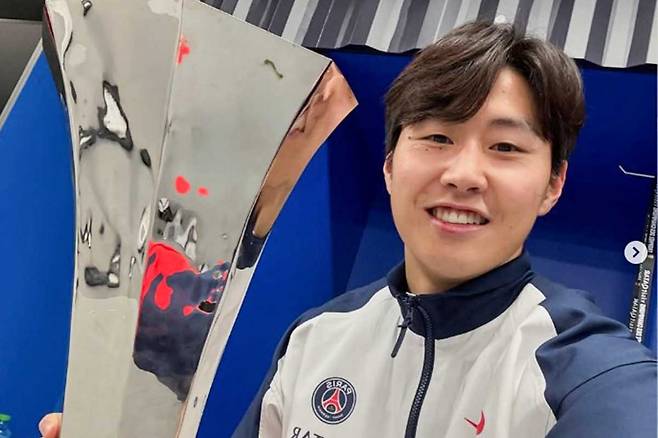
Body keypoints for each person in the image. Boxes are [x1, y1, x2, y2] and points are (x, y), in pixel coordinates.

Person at [39, 21, 656, 438]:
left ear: (552, 184)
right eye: (436, 137)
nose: (464, 174)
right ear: (390, 167)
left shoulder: (587, 368)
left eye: (505, 147)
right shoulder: (315, 338)